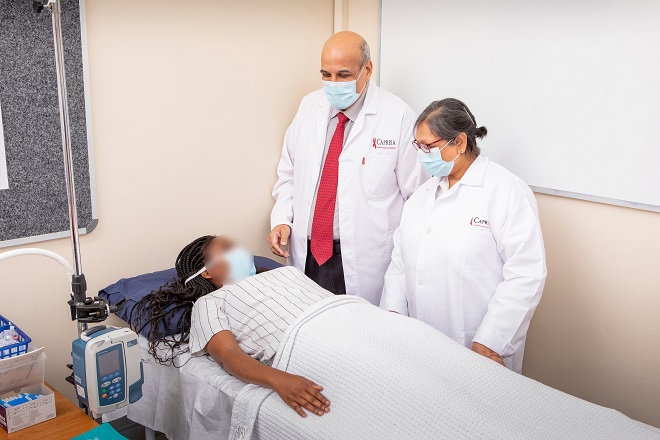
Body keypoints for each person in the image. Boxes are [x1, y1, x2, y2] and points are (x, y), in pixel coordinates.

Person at [380, 98, 547, 373]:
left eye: (428, 147)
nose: (421, 154)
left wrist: (491, 341)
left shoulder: (505, 191)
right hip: (418, 345)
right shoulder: (420, 197)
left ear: (459, 142)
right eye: (417, 146)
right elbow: (399, 266)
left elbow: (526, 273)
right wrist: (392, 318)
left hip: (478, 349)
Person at [269, 31, 426, 303]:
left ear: (367, 69)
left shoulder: (399, 117)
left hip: (363, 260)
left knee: (356, 339)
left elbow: (419, 197)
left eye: (343, 75)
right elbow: (289, 174)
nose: (333, 83)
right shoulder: (309, 106)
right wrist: (282, 218)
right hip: (305, 253)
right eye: (326, 75)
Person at [133, 235, 333, 418]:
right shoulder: (210, 302)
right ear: (207, 272)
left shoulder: (287, 272)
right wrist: (279, 379)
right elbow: (228, 355)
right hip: (311, 347)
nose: (242, 251)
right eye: (228, 248)